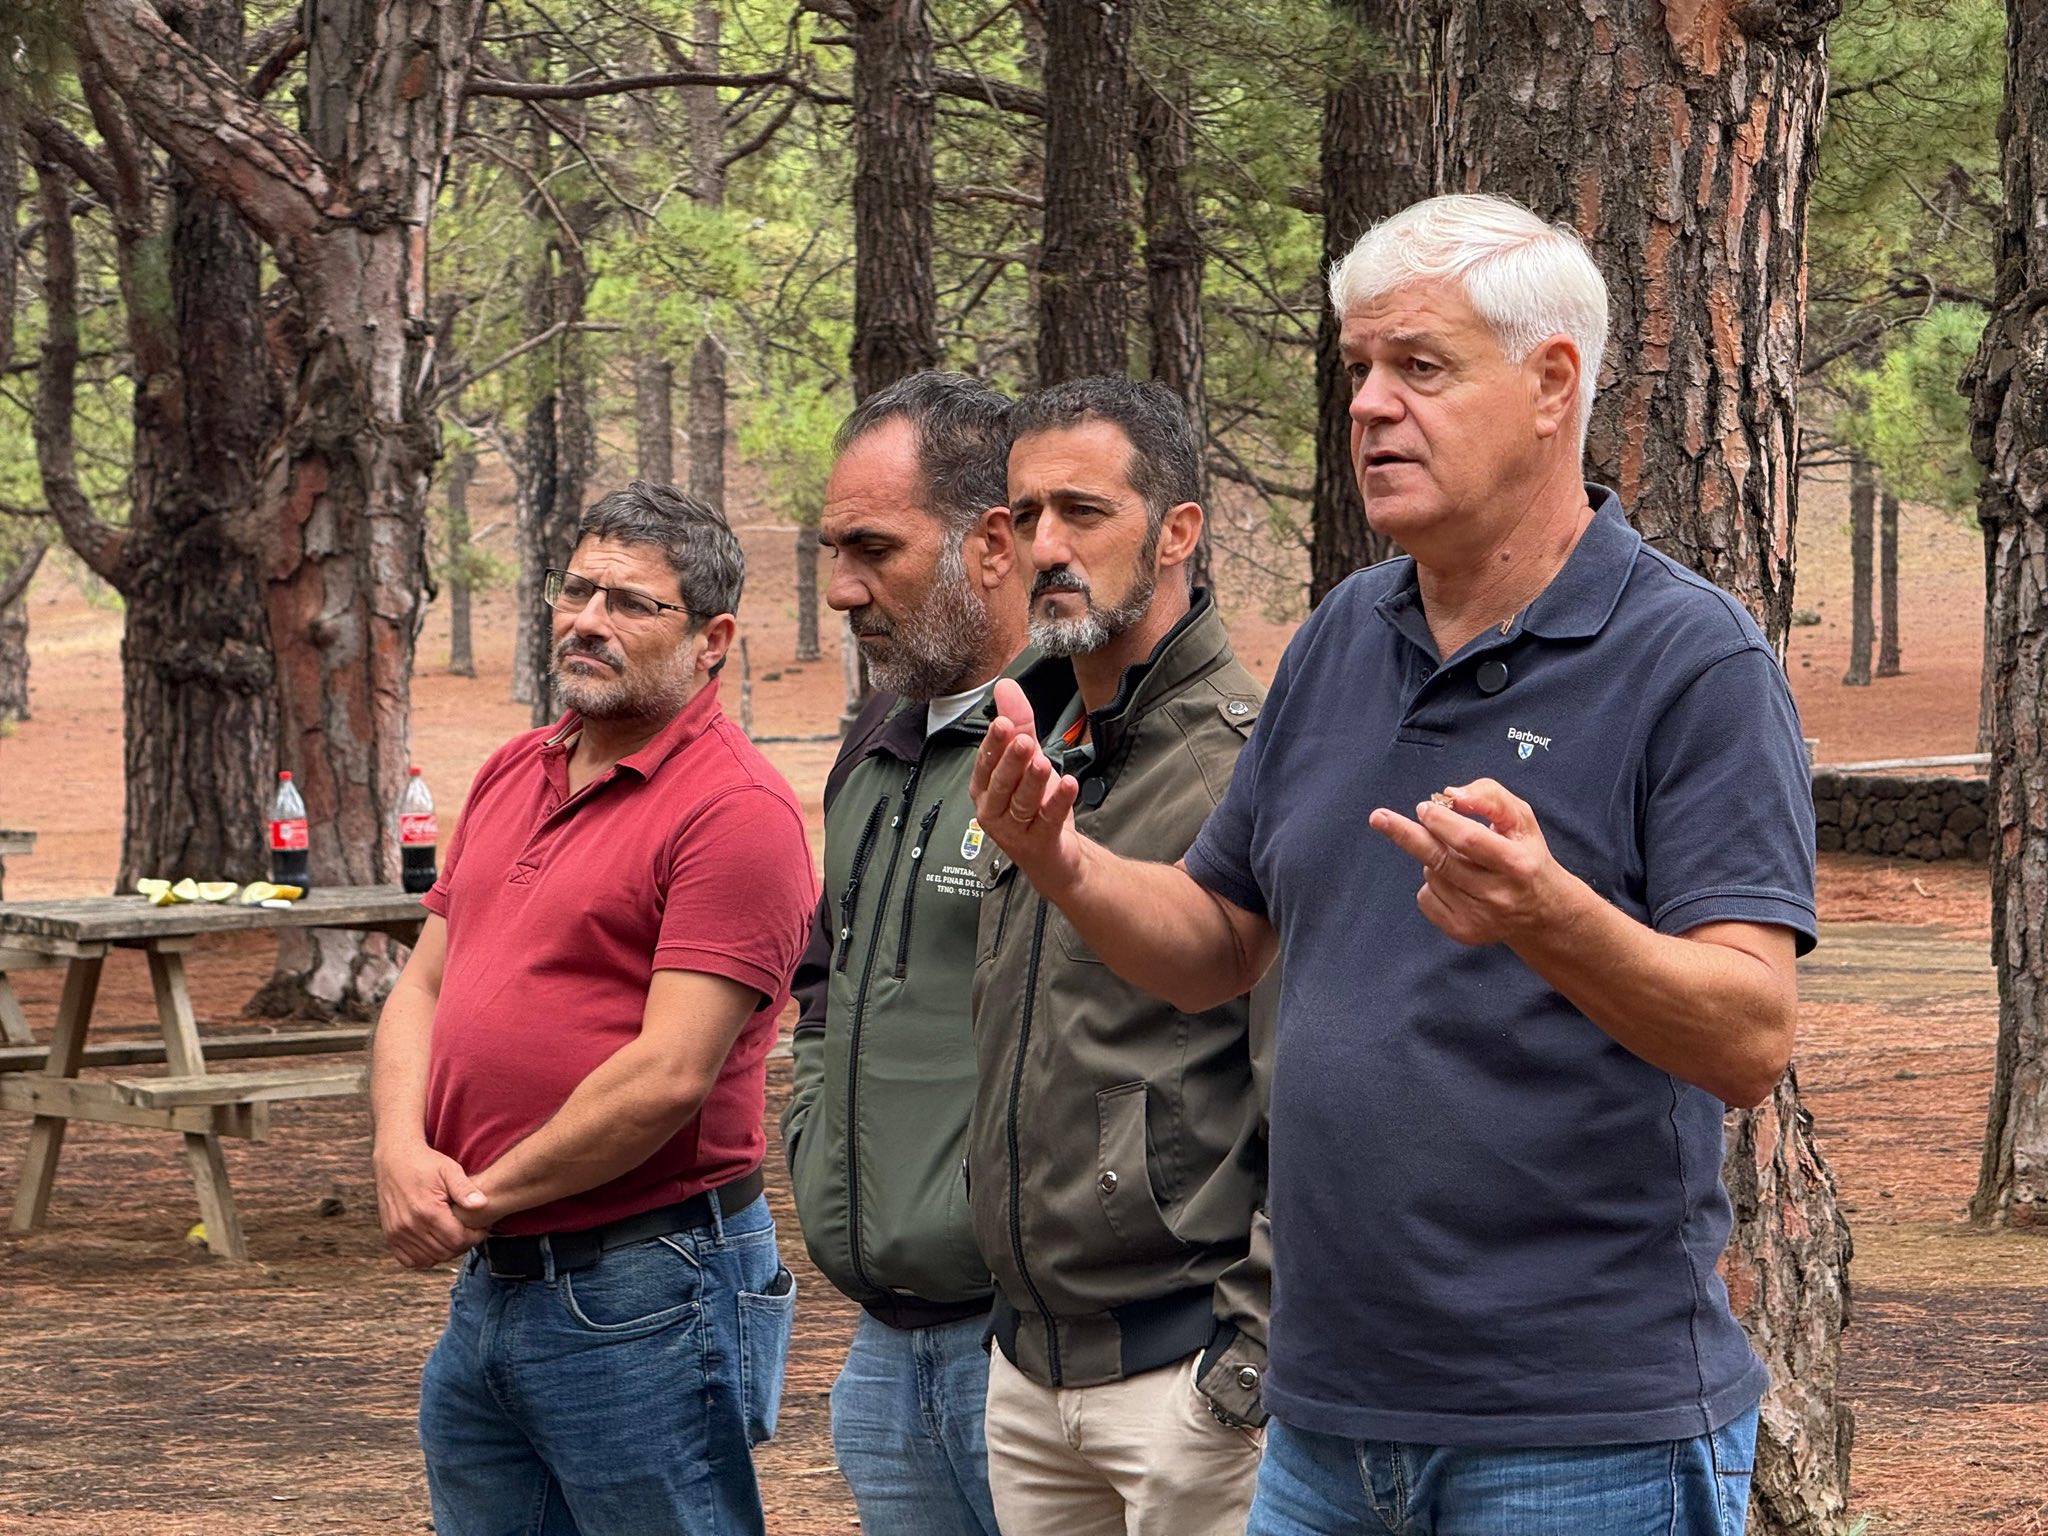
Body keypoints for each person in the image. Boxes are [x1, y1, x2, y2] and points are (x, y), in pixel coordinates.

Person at [970, 194, 1816, 1535]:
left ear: (1553, 387)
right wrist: (1062, 859)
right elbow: (1213, 940)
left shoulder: (1691, 663)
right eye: (1356, 368)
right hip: (1323, 1420)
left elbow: (1751, 1036)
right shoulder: (1337, 641)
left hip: (1574, 1432)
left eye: (1418, 366)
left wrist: (1551, 919)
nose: (1367, 405)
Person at [370, 481, 816, 1536]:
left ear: (712, 640)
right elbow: (421, 987)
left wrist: (475, 1198)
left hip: (646, 1283)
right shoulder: (514, 771)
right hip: (497, 1281)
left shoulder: (735, 811)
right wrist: (398, 1148)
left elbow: (668, 1075)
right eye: (576, 591)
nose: (587, 620)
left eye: (629, 603)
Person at [971, 377, 1272, 1536]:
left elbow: (1305, 1088)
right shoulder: (1032, 752)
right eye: (1025, 515)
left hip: (1182, 1377)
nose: (1045, 546)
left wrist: (1243, 1364)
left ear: (1176, 531)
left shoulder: (1248, 769)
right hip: (1027, 1379)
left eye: (1082, 513)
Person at [783, 373, 1026, 1536]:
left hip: (1032, 1352)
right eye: (832, 549)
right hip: (881, 1352)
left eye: (873, 548)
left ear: (990, 542)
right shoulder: (871, 749)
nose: (841, 589)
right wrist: (812, 1144)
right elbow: (822, 991)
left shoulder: (1078, 749)